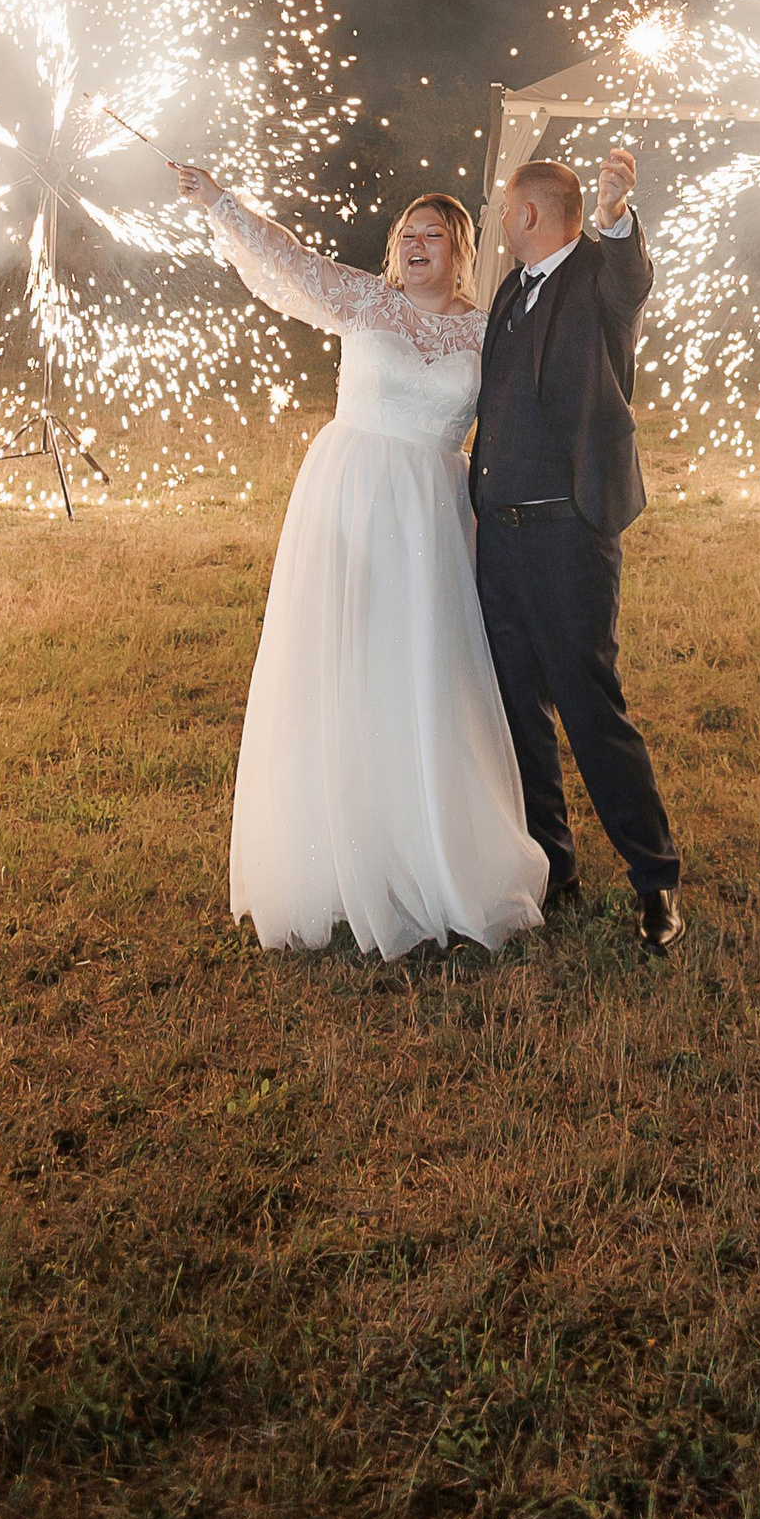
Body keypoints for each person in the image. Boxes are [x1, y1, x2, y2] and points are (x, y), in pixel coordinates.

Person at [175, 163, 546, 960]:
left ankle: (428, 849)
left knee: (419, 667)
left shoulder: (486, 334)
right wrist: (221, 202)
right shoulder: (365, 304)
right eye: (406, 235)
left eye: (433, 235)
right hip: (347, 497)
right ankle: (331, 856)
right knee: (339, 661)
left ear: (461, 251)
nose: (416, 245)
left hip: (431, 517)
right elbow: (287, 259)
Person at [474, 147, 682, 953]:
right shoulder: (508, 293)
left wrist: (613, 218)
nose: (498, 218)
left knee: (592, 711)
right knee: (519, 712)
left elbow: (632, 278)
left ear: (529, 214)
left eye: (505, 207)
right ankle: (554, 866)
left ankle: (656, 879)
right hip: (501, 540)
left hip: (568, 537)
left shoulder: (598, 279)